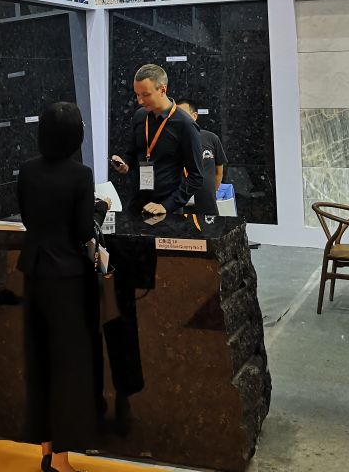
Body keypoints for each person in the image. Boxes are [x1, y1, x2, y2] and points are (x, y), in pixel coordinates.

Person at [16, 101, 101, 472]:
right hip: (68, 278)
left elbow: (27, 217)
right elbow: (83, 231)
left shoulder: (28, 170)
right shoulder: (80, 175)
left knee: (39, 362)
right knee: (68, 366)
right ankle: (62, 460)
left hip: (34, 272)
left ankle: (46, 450)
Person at [110, 64, 205, 216]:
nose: (140, 101)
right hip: (137, 204)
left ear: (162, 90)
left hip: (167, 211)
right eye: (137, 95)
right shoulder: (140, 116)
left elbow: (196, 177)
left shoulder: (185, 125)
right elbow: (132, 153)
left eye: (146, 95)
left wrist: (166, 206)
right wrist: (125, 164)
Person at [177, 99, 225, 214]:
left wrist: (208, 194)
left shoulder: (211, 138)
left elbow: (218, 173)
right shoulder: (171, 141)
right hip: (178, 204)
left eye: (183, 115)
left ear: (194, 116)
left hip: (207, 205)